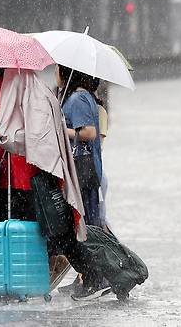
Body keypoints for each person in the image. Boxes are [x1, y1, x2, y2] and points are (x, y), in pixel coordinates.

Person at [0, 65, 50, 296]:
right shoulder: (0, 89)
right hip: (6, 173)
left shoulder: (11, 89)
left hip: (18, 175)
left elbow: (9, 128)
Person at [55, 64, 112, 296]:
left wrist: (61, 128)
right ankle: (94, 276)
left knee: (85, 227)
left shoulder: (78, 98)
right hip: (85, 172)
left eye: (57, 70)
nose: (54, 75)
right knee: (87, 225)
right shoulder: (81, 96)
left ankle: (97, 278)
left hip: (82, 172)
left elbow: (88, 132)